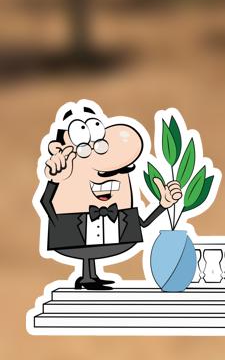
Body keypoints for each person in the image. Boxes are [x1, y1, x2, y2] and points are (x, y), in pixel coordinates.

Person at [37, 99, 182, 290]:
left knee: (92, 251)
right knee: (85, 250)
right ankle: (87, 277)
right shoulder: (63, 172)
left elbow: (143, 223)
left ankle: (91, 276)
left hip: (111, 229)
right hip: (73, 229)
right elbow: (44, 200)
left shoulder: (121, 206)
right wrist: (60, 222)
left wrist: (163, 204)